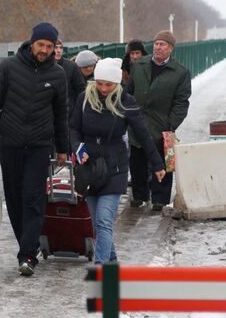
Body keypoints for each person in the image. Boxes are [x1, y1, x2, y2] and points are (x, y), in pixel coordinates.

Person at [0, 22, 68, 277]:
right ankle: (27, 246)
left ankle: (27, 254)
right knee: (15, 200)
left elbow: (62, 116)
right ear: (32, 42)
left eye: (50, 46)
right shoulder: (8, 68)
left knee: (33, 198)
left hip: (40, 147)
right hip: (11, 145)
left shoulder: (58, 75)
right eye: (41, 45)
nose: (45, 50)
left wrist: (63, 148)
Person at [70, 58, 165, 264]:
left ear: (117, 83)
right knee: (97, 224)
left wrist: (157, 164)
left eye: (109, 84)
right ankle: (111, 261)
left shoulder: (126, 101)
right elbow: (74, 129)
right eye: (100, 83)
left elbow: (143, 134)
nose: (103, 88)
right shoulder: (84, 98)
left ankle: (101, 267)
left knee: (104, 221)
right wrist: (78, 147)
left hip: (115, 166)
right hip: (89, 168)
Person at [127, 30, 191, 211]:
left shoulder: (180, 72)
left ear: (170, 49)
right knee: (137, 162)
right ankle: (139, 196)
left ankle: (160, 198)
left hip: (162, 125)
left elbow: (181, 102)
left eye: (162, 44)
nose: (158, 47)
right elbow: (129, 91)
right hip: (137, 122)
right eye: (156, 44)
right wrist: (129, 115)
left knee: (162, 164)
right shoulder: (139, 65)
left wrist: (170, 124)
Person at [55, 39, 86, 119]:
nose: (58, 51)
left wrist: (76, 110)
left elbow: (80, 89)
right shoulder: (42, 67)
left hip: (69, 115)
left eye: (60, 48)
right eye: (56, 48)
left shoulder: (72, 66)